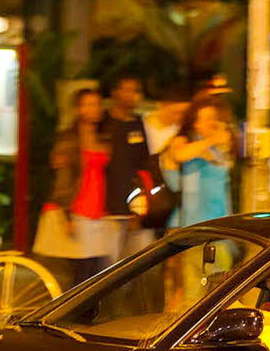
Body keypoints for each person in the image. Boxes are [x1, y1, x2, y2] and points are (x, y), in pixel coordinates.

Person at [34, 88, 120, 285]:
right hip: (78, 208)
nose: (94, 109)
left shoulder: (104, 137)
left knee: (96, 270)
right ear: (78, 109)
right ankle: (74, 314)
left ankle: (87, 313)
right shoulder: (69, 139)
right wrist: (66, 214)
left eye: (97, 104)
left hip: (99, 209)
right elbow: (63, 177)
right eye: (88, 104)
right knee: (81, 269)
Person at [99, 73, 154, 256]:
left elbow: (144, 164)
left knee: (139, 261)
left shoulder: (138, 123)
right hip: (109, 207)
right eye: (128, 90)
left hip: (136, 207)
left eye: (136, 91)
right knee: (109, 263)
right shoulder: (103, 123)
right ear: (115, 93)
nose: (133, 95)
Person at [166, 96, 234, 227]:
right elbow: (180, 155)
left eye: (214, 117)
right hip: (190, 222)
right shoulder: (183, 141)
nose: (212, 122)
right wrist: (212, 139)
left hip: (218, 220)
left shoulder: (218, 149)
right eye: (208, 118)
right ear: (195, 123)